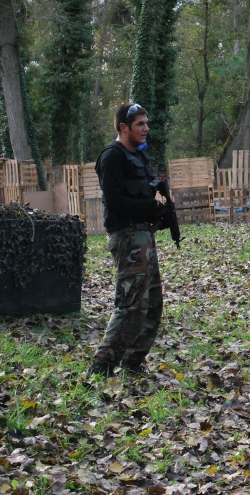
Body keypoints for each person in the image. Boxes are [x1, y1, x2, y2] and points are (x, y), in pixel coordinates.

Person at [86, 103, 171, 378]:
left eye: (147, 123)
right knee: (130, 306)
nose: (146, 129)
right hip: (126, 236)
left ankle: (133, 363)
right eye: (140, 124)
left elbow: (147, 192)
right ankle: (101, 367)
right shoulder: (112, 157)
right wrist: (151, 207)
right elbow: (115, 202)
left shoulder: (139, 155)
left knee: (152, 304)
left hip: (144, 236)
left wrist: (162, 207)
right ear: (124, 127)